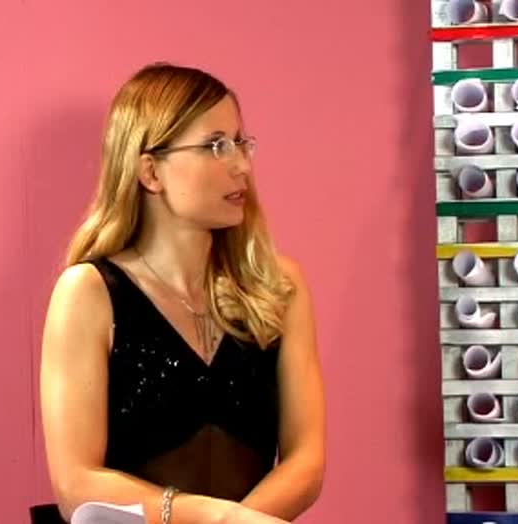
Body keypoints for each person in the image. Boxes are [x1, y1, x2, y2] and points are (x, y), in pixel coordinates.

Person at [39, 62, 325, 524]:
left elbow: (306, 463)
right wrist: (221, 520)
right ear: (150, 171)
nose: (242, 165)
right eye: (216, 146)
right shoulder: (89, 293)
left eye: (241, 143)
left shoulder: (278, 288)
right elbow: (78, 485)